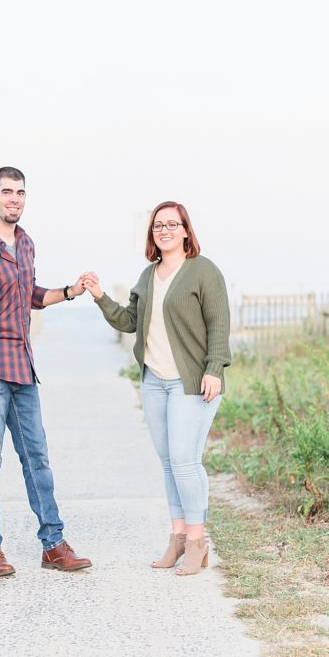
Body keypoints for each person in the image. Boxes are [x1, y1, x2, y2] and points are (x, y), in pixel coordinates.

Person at [0, 166, 93, 578]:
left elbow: (29, 295)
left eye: (20, 193)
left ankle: (53, 545)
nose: (14, 199)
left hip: (24, 370)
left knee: (37, 459)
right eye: (7, 192)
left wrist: (69, 292)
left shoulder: (26, 243)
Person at [81, 200, 231, 576]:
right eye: (157, 226)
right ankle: (177, 537)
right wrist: (99, 296)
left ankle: (197, 541)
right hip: (154, 381)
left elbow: (219, 324)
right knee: (168, 463)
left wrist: (214, 369)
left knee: (185, 460)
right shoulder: (148, 276)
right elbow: (131, 321)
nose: (164, 231)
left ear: (185, 230)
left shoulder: (203, 271)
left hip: (192, 380)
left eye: (171, 225)